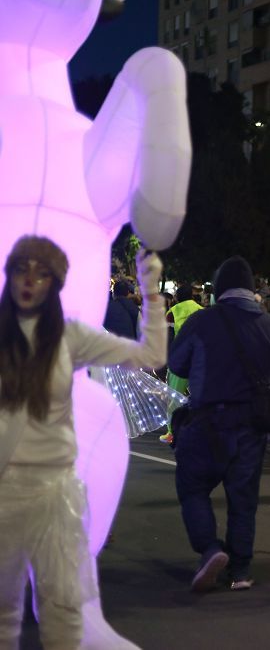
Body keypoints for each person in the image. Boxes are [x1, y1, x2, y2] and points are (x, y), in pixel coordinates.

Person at [0, 237, 166, 648]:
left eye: (42, 273)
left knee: (62, 613)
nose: (30, 281)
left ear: (55, 284)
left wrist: (150, 293)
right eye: (23, 269)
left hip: (55, 495)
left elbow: (151, 355)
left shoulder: (70, 336)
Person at [168, 256, 270, 592]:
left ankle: (209, 548)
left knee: (192, 485)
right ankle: (240, 570)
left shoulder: (200, 322)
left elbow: (177, 365)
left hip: (208, 420)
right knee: (243, 497)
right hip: (253, 424)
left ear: (219, 288)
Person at [163, 284, 203, 444]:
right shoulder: (201, 310)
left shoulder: (172, 312)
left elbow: (168, 336)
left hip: (180, 357)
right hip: (199, 358)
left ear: (177, 297)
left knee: (174, 395)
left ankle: (171, 432)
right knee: (199, 395)